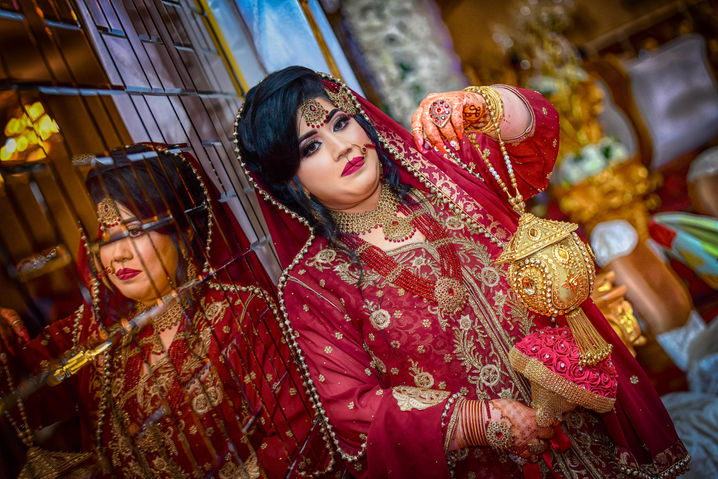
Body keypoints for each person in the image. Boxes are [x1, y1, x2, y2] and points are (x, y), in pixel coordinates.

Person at [233, 66, 690, 478]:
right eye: (311, 147)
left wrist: (481, 105)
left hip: (599, 437)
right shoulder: (314, 284)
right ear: (289, 182)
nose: (342, 147)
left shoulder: (446, 181)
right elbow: (353, 410)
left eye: (339, 122)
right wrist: (480, 422)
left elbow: (534, 137)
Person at [0, 144, 329, 478]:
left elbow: (302, 439)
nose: (118, 253)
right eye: (108, 234)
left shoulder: (241, 314)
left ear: (184, 231)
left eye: (135, 231)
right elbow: (19, 398)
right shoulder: (95, 331)